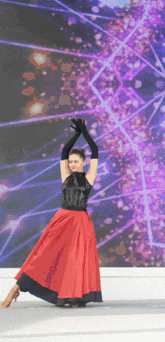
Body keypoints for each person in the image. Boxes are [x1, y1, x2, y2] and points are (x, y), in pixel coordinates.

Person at [2, 118, 102, 308]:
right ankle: (16, 288)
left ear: (83, 162)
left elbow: (95, 151)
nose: (72, 164)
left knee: (75, 259)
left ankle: (73, 296)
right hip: (63, 218)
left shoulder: (89, 177)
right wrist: (76, 135)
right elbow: (64, 153)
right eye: (70, 162)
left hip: (80, 222)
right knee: (44, 255)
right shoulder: (66, 176)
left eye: (76, 161)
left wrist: (86, 134)